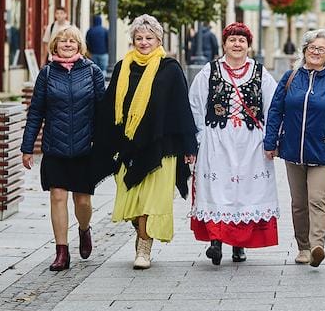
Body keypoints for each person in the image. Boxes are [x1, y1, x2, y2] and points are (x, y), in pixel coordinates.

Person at [92, 14, 198, 270]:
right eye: (139, 38)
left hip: (162, 145)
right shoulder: (122, 67)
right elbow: (109, 108)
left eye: (149, 38)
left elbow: (182, 109)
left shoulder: (170, 69)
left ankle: (144, 247)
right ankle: (141, 230)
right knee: (135, 198)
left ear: (158, 39)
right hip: (129, 145)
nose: (143, 42)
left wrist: (189, 147)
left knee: (151, 201)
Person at [188, 22, 280, 265]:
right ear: (225, 44)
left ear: (248, 45)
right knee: (218, 190)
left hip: (250, 142)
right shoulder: (209, 72)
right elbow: (196, 105)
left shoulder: (260, 73)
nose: (237, 44)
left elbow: (273, 106)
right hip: (217, 138)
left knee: (245, 192)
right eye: (232, 40)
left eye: (241, 40)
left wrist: (271, 139)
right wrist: (198, 139)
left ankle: (239, 244)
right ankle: (216, 241)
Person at [21, 26, 105, 270]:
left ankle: (84, 228)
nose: (67, 44)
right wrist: (27, 148)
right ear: (54, 45)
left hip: (84, 147)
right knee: (58, 196)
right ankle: (61, 251)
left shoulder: (92, 72)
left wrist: (103, 146)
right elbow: (36, 111)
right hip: (55, 147)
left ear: (80, 46)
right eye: (62, 41)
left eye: (72, 41)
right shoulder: (46, 74)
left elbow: (102, 112)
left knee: (83, 202)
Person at [264, 29, 325, 268]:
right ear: (304, 51)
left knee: (317, 199)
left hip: (322, 152)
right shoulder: (290, 78)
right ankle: (303, 247)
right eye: (312, 47)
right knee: (299, 203)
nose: (315, 52)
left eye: (321, 49)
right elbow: (275, 110)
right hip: (293, 150)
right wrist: (271, 142)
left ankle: (317, 245)